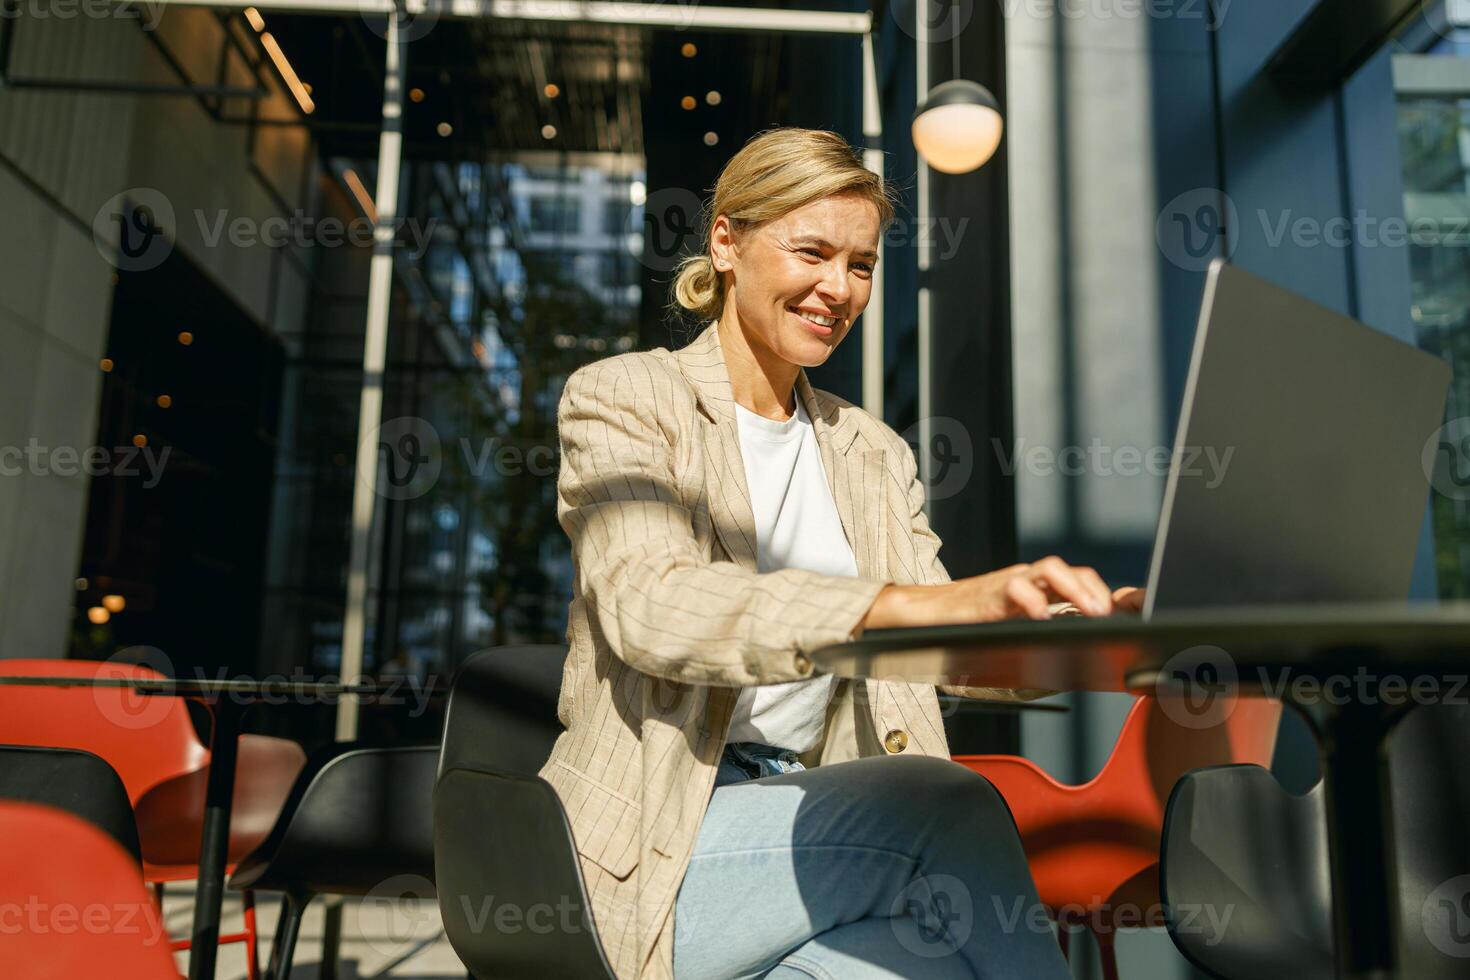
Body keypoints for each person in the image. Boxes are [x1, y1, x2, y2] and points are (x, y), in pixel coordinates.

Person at [538, 127, 1145, 980]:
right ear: (727, 241)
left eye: (861, 265)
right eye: (813, 252)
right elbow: (654, 607)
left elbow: (942, 644)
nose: (839, 288)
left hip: (821, 825)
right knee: (946, 800)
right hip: (660, 844)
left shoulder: (870, 451)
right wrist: (902, 606)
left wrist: (1074, 646)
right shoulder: (629, 397)